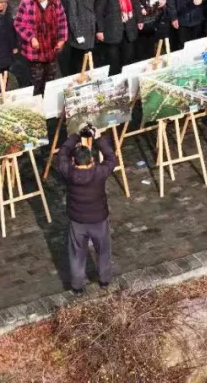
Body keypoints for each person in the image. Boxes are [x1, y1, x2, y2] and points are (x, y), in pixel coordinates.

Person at [56, 125, 116, 293]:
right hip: (99, 220)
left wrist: (74, 137)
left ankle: (77, 286)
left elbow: (61, 155)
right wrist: (98, 138)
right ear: (92, 160)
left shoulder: (68, 171)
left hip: (78, 221)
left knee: (77, 254)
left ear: (74, 161)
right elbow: (111, 158)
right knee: (103, 251)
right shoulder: (100, 172)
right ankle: (104, 280)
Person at [13, 0, 68, 94]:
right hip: (35, 49)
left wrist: (62, 39)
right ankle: (36, 97)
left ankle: (48, 97)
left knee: (51, 76)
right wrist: (31, 38)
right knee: (36, 78)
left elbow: (62, 20)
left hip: (51, 47)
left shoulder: (55, 2)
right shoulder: (27, 2)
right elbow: (18, 23)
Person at [95, 0, 142, 75]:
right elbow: (99, 10)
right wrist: (100, 30)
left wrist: (140, 19)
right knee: (114, 61)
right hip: (112, 30)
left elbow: (135, 2)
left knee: (129, 58)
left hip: (128, 28)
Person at [64, 0, 97, 74]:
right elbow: (72, 15)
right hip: (80, 31)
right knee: (78, 60)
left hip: (90, 27)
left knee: (89, 57)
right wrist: (78, 34)